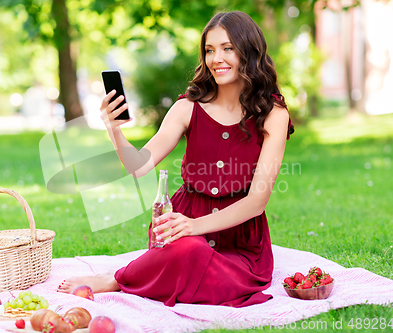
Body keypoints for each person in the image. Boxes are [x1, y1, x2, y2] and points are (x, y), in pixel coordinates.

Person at [58, 10, 294, 307]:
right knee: (187, 251)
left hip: (239, 240)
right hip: (183, 224)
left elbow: (257, 201)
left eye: (227, 48)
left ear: (249, 51)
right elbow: (139, 166)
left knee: (195, 257)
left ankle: (121, 279)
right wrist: (113, 129)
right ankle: (134, 275)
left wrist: (195, 227)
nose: (216, 58)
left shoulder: (273, 114)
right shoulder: (188, 107)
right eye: (209, 50)